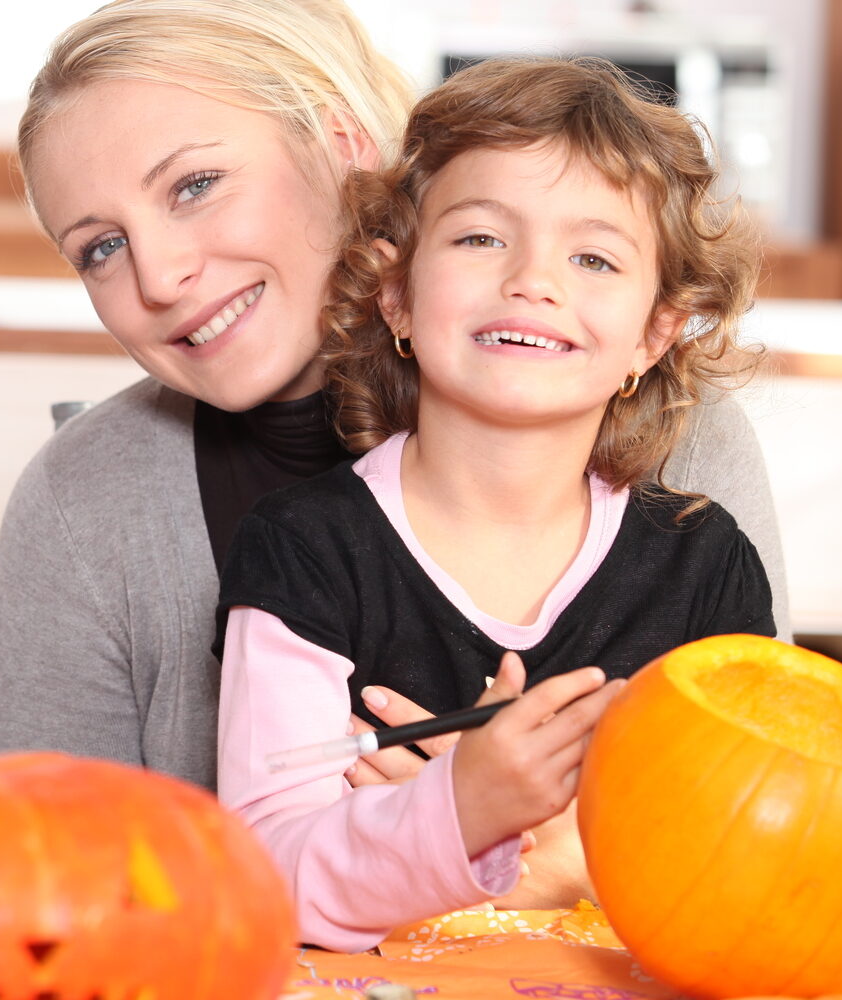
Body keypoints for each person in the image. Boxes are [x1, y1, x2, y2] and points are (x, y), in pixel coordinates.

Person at [0, 0, 786, 819]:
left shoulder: (682, 437)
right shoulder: (80, 500)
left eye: (195, 186)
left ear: (343, 152)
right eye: (101, 248)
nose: (158, 275)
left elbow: (759, 819)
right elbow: (44, 879)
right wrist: (439, 827)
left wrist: (515, 836)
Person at [216, 55, 773, 950]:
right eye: (480, 237)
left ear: (654, 333)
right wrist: (468, 808)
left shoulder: (706, 569)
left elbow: (755, 866)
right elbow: (259, 870)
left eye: (593, 256)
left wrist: (536, 852)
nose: (533, 280)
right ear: (395, 291)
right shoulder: (301, 552)